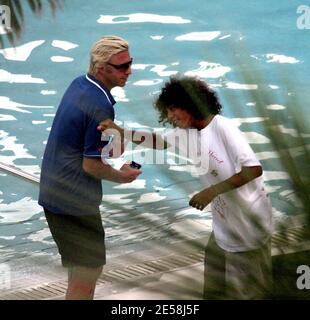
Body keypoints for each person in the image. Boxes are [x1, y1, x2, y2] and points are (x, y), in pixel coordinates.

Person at [98, 75, 273, 299]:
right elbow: (158, 142)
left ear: (190, 103)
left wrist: (210, 192)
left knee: (250, 292)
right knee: (213, 289)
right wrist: (121, 133)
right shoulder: (187, 133)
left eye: (173, 109)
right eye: (167, 111)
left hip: (248, 225)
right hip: (223, 225)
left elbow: (253, 169)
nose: (169, 116)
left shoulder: (223, 128)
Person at [38, 35, 141, 300]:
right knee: (87, 272)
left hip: (53, 192)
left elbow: (90, 142)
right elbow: (91, 165)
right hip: (74, 202)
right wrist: (122, 176)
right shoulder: (100, 103)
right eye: (122, 66)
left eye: (130, 63)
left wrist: (116, 136)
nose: (129, 71)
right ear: (101, 68)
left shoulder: (80, 85)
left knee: (81, 270)